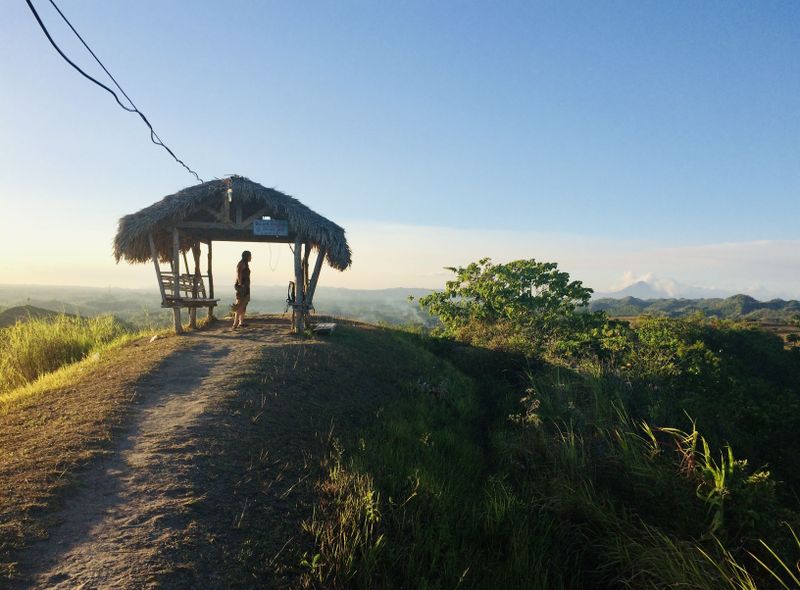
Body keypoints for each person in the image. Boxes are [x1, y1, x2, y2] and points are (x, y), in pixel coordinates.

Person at [232, 250, 252, 329]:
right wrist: (241, 284)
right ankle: (235, 323)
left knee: (244, 304)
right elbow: (239, 273)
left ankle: (241, 322)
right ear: (247, 256)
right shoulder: (242, 264)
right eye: (250, 256)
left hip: (245, 286)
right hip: (242, 286)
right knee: (240, 304)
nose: (251, 257)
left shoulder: (245, 264)